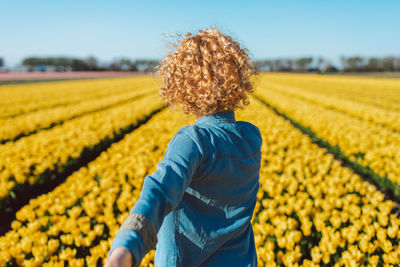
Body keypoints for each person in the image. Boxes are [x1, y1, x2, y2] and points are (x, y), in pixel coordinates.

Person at [105, 26, 261, 267]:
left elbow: (158, 191)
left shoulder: (193, 140)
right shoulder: (251, 137)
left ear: (183, 84)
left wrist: (126, 247)